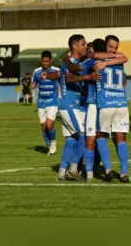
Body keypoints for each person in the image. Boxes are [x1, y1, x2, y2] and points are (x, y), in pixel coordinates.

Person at [44, 34, 101, 181]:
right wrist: (89, 77)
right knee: (83, 135)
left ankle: (61, 172)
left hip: (71, 105)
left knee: (71, 140)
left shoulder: (74, 62)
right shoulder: (69, 62)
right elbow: (69, 78)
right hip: (69, 105)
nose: (85, 46)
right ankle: (74, 169)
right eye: (82, 44)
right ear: (74, 46)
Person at [94, 38, 131, 183]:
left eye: (115, 48)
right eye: (111, 47)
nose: (113, 50)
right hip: (121, 103)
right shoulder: (120, 60)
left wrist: (104, 62)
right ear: (105, 46)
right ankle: (124, 173)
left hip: (107, 103)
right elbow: (124, 57)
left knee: (100, 135)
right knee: (120, 138)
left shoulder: (98, 61)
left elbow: (94, 57)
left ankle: (108, 170)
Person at [30, 51, 60, 155]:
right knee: (43, 127)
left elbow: (62, 83)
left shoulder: (56, 71)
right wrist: (32, 86)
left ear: (51, 60)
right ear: (41, 60)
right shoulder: (37, 71)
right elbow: (33, 83)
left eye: (47, 61)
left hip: (53, 101)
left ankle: (53, 141)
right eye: (43, 61)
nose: (45, 63)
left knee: (49, 125)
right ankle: (50, 147)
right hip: (41, 102)